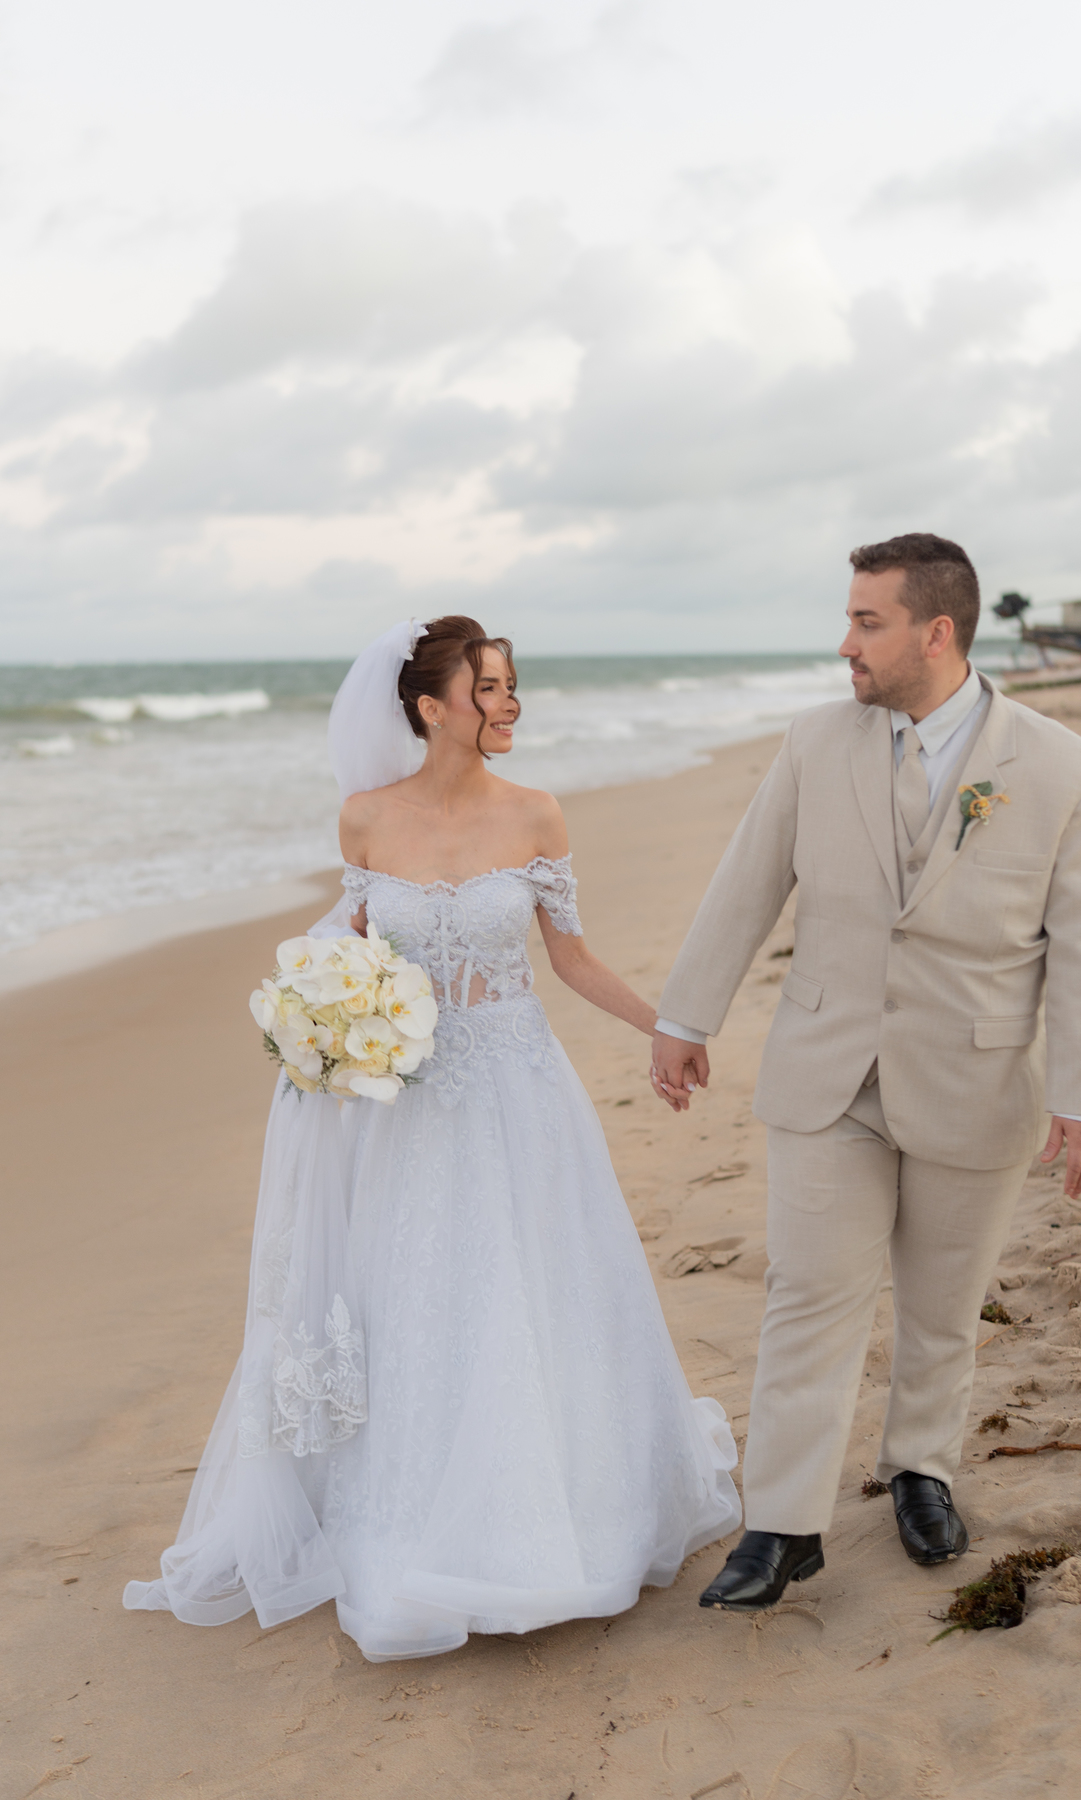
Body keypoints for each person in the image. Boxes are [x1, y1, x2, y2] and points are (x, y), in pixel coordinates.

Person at [124, 615, 739, 1661]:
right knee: (420, 1294)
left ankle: (560, 1509)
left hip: (518, 1089)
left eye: (511, 685)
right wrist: (322, 1029)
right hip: (407, 1102)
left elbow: (571, 961)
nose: (508, 703)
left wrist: (668, 1028)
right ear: (430, 706)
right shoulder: (365, 821)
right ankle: (416, 1516)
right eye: (487, 687)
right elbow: (350, 957)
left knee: (528, 1285)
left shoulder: (537, 813)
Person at [649, 533, 1081, 1611]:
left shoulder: (1068, 773)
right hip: (828, 1073)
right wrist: (685, 1015)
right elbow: (748, 880)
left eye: (867, 622)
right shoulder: (815, 742)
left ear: (936, 632)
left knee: (942, 1306)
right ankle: (782, 1524)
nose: (846, 643)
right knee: (807, 1296)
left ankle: (921, 1470)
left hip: (975, 1078)